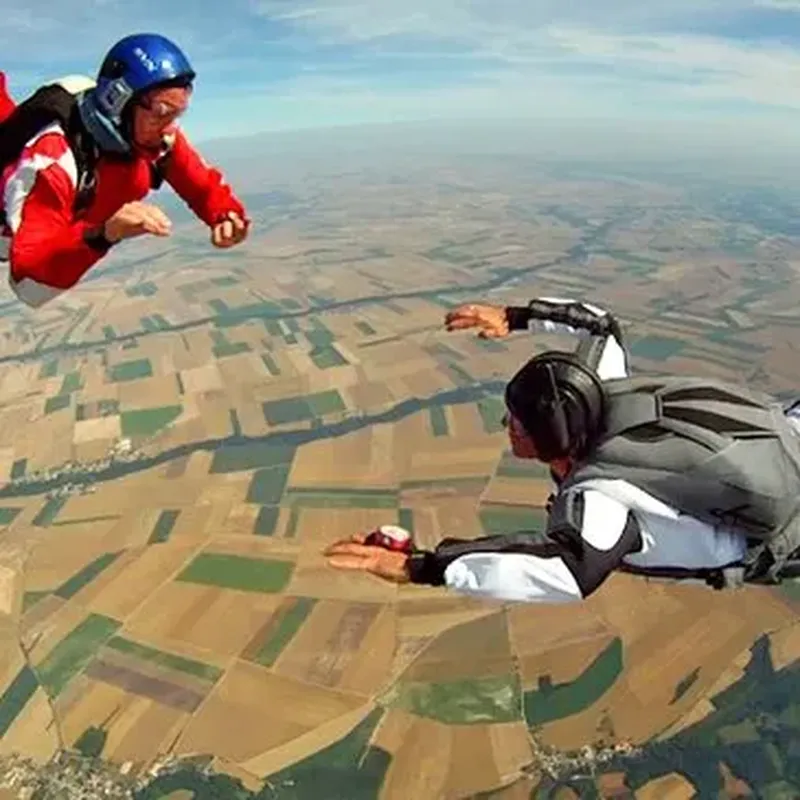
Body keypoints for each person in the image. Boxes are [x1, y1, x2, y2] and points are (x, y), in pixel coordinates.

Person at [324, 297, 800, 604]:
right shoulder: (600, 388)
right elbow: (600, 327)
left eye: (518, 423)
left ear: (549, 439)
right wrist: (514, 317)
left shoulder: (605, 493)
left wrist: (423, 567)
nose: (506, 426)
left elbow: (564, 572)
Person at [0, 33, 249, 308]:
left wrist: (225, 213)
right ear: (117, 102)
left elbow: (199, 181)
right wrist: (103, 235)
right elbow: (29, 284)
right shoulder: (52, 165)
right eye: (161, 113)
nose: (170, 128)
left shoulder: (153, 137)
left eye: (176, 115)